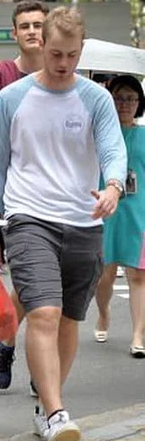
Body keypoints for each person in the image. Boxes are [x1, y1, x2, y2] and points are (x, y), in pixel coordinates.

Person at [0, 6, 126, 441]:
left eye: (72, 55)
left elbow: (112, 148)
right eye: (56, 53)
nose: (63, 63)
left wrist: (113, 186)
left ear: (81, 51)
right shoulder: (12, 98)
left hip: (84, 218)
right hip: (29, 217)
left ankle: (47, 404)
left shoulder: (96, 98)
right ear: (40, 45)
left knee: (68, 320)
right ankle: (55, 413)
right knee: (43, 313)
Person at [0, 0, 49, 392]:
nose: (33, 31)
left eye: (39, 24)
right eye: (25, 25)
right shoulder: (0, 78)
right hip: (13, 196)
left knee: (45, 286)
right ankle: (36, 362)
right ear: (14, 32)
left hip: (58, 195)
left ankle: (11, 341)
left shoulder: (67, 77)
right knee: (36, 281)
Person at [95, 75, 145, 357]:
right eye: (118, 98)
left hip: (138, 212)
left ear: (139, 103)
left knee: (138, 275)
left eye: (130, 98)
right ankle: (103, 313)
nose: (124, 104)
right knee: (105, 274)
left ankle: (138, 335)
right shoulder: (100, 134)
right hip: (106, 209)